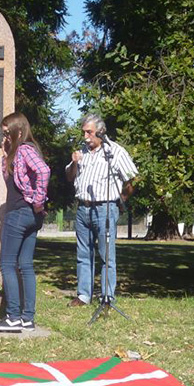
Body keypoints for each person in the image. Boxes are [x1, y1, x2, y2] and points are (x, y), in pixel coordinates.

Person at [65, 114, 138, 307]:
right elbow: (70, 177)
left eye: (89, 132)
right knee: (83, 254)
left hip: (105, 208)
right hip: (83, 208)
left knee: (106, 255)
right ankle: (83, 296)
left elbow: (131, 179)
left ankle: (107, 297)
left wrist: (121, 199)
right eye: (84, 133)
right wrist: (74, 163)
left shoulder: (115, 152)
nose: (86, 137)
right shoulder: (81, 152)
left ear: (101, 131)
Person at [0, 112, 50, 333]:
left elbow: (43, 170)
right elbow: (11, 181)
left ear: (19, 131)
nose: (4, 137)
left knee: (7, 263)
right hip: (30, 216)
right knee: (25, 265)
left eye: (7, 133)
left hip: (20, 213)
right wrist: (6, 156)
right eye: (3, 133)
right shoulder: (17, 153)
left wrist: (38, 200)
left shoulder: (24, 149)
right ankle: (27, 318)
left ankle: (13, 316)